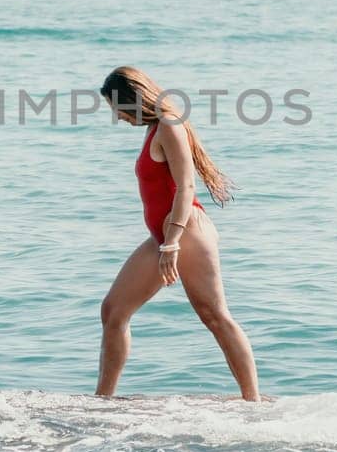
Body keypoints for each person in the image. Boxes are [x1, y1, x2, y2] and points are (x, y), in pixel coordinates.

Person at [96, 65, 263, 401]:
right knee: (113, 311)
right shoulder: (155, 128)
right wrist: (164, 240)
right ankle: (103, 400)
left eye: (117, 108)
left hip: (186, 232)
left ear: (132, 100)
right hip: (165, 235)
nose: (118, 117)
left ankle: (253, 400)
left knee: (214, 315)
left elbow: (186, 187)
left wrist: (171, 242)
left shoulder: (169, 127)